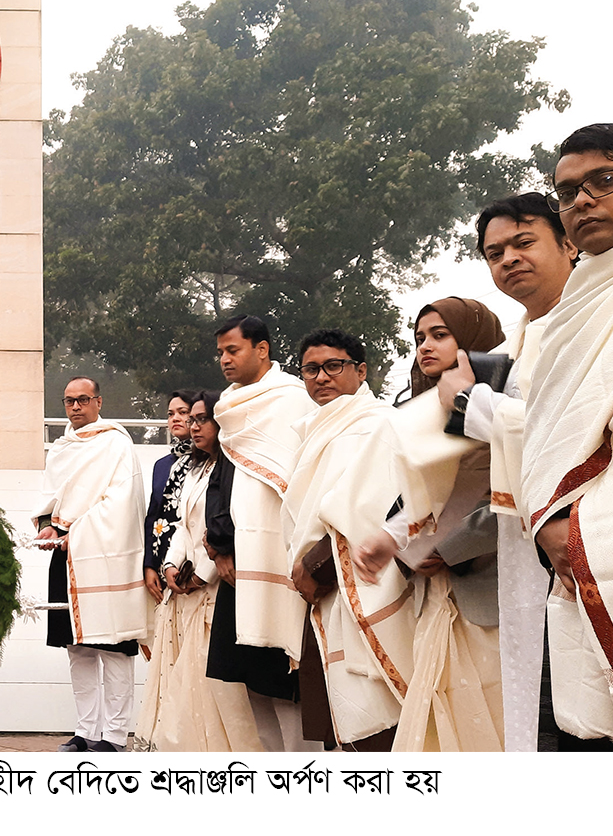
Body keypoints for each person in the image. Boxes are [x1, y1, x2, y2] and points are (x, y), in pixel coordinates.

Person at [433, 193, 576, 751]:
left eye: (524, 242)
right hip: (524, 550)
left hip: (583, 536)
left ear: (567, 243)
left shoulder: (597, 322)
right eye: (495, 253)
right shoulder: (507, 344)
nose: (509, 259)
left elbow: (573, 426)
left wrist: (474, 406)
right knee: (540, 714)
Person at [522, 123, 613, 750]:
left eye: (604, 181)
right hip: (574, 555)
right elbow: (550, 436)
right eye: (567, 192)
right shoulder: (579, 306)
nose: (581, 201)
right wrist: (553, 526)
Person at [356, 297, 507, 751]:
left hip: (490, 590)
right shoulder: (421, 414)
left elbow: (514, 494)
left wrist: (448, 548)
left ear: (474, 340)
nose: (425, 346)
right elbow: (419, 501)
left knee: (495, 726)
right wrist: (397, 545)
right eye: (420, 337)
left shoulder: (504, 400)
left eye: (440, 335)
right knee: (440, 727)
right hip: (434, 593)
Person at [283, 329, 413, 751]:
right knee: (332, 712)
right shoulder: (311, 428)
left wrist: (319, 565)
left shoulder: (378, 423)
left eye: (333, 366)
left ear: (360, 371)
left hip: (360, 580)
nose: (321, 377)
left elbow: (376, 506)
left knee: (375, 710)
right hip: (322, 589)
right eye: (310, 369)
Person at [204, 315, 319, 752]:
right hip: (236, 566)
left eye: (233, 350)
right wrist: (220, 551)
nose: (225, 360)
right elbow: (222, 483)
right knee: (250, 680)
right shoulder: (229, 407)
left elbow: (302, 481)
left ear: (263, 349)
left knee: (283, 679)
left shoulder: (292, 399)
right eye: (220, 353)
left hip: (279, 562)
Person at [136, 390, 263, 751]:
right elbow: (182, 524)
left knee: (217, 688)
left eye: (201, 418)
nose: (193, 426)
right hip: (185, 593)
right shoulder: (194, 467)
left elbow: (226, 526)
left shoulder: (234, 468)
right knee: (181, 688)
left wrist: (202, 574)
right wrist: (171, 565)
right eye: (190, 419)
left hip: (214, 589)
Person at [36, 376, 148, 752]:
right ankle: (86, 731)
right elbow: (50, 500)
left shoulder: (116, 443)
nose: (76, 407)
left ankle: (115, 738)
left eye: (83, 399)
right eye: (69, 401)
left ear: (99, 401)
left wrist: (73, 531)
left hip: (106, 556)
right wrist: (48, 527)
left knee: (113, 647)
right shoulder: (61, 448)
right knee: (78, 649)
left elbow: (122, 501)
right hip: (66, 559)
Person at [143, 390, 197, 605]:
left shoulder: (210, 459)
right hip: (161, 557)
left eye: (183, 412)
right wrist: (149, 565)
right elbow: (153, 515)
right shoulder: (163, 465)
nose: (175, 418)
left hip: (195, 562)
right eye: (170, 413)